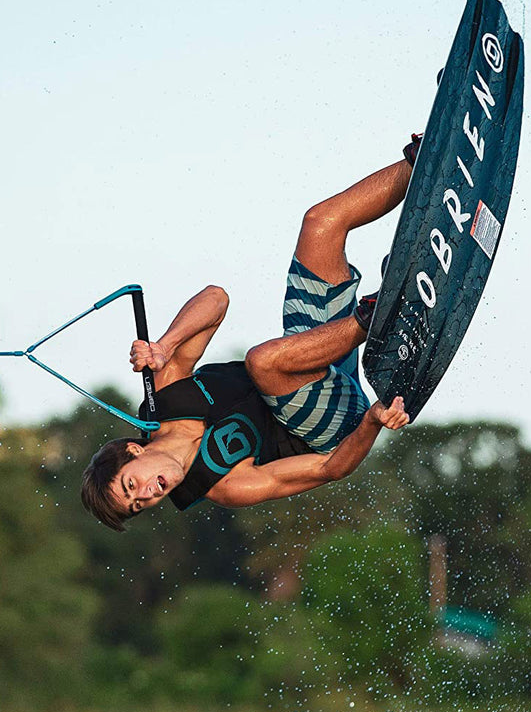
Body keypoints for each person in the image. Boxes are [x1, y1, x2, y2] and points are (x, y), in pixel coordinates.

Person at [81, 137, 423, 531]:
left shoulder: (166, 393)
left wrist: (164, 345)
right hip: (337, 424)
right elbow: (330, 468)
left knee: (321, 225)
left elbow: (216, 299)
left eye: (131, 485)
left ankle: (423, 164)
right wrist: (373, 421)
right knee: (262, 363)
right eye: (137, 506)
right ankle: (383, 310)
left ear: (133, 450)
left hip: (319, 360)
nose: (146, 495)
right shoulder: (224, 486)